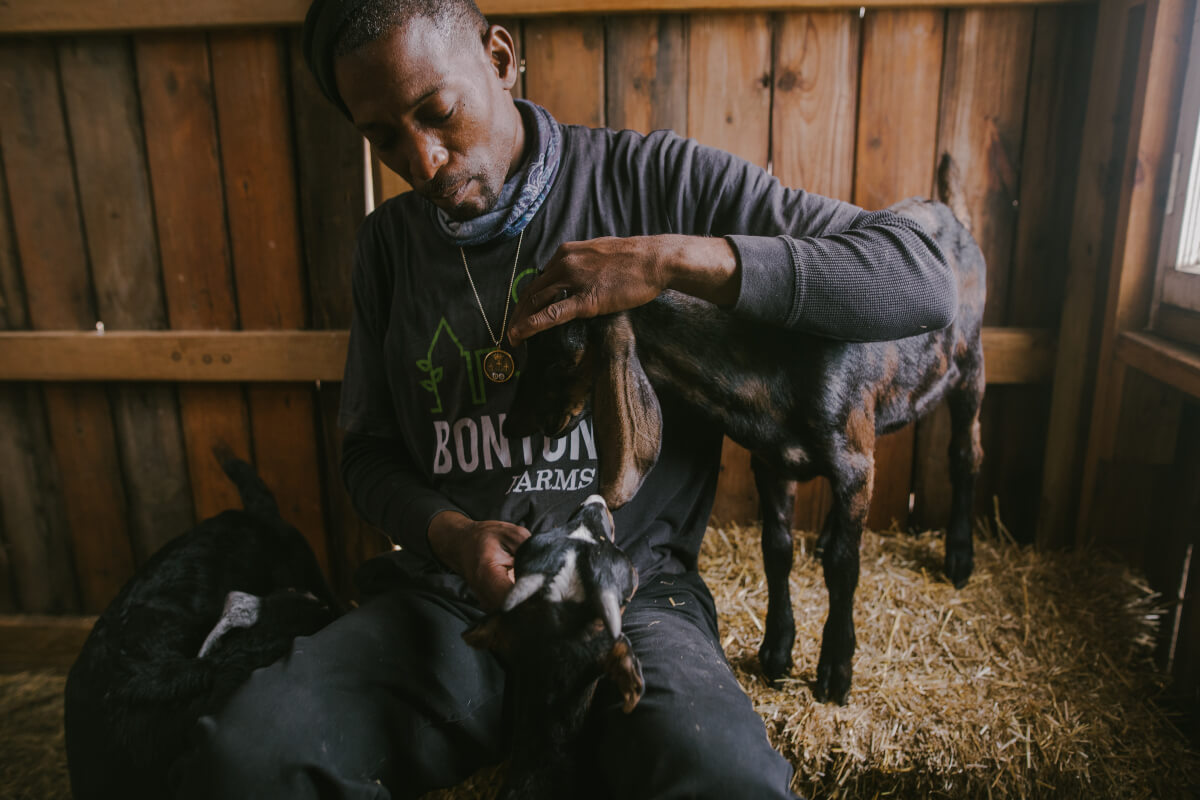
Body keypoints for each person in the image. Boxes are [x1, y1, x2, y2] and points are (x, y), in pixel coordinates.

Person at [172, 1, 956, 797]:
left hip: (632, 600)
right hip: (450, 609)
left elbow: (921, 280)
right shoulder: (387, 249)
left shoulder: (657, 184)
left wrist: (670, 262)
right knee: (241, 763)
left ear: (502, 58)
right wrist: (448, 535)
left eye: (437, 111)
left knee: (731, 785)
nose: (423, 158)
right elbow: (367, 454)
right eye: (381, 136)